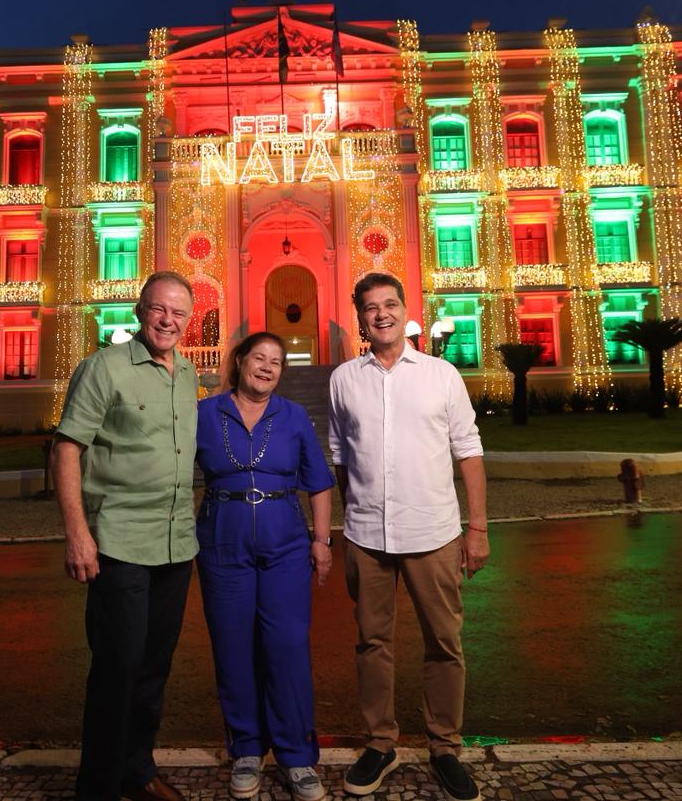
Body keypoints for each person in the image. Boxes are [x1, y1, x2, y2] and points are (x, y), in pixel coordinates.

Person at [327, 273, 489, 801]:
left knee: (444, 643)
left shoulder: (441, 375)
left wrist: (477, 529)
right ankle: (381, 743)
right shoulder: (344, 379)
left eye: (390, 304)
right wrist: (351, 514)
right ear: (361, 318)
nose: (382, 315)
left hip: (434, 532)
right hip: (367, 534)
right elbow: (340, 457)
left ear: (405, 309)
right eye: (371, 308)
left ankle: (444, 746)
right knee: (372, 643)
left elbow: (469, 452)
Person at [52, 270, 199, 801]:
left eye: (179, 312)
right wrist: (77, 534)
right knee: (117, 671)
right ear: (140, 310)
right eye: (159, 309)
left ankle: (138, 770)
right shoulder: (104, 367)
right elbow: (66, 447)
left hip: (176, 544)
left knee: (154, 670)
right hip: (118, 543)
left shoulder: (186, 375)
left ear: (189, 319)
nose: (168, 320)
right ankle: (98, 788)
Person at [195, 332, 335, 800]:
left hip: (286, 546)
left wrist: (321, 540)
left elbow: (317, 482)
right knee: (233, 649)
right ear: (240, 361)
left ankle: (297, 756)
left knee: (287, 646)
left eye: (276, 362)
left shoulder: (292, 416)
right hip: (222, 543)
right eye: (260, 358)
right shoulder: (205, 415)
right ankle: (247, 751)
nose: (268, 368)